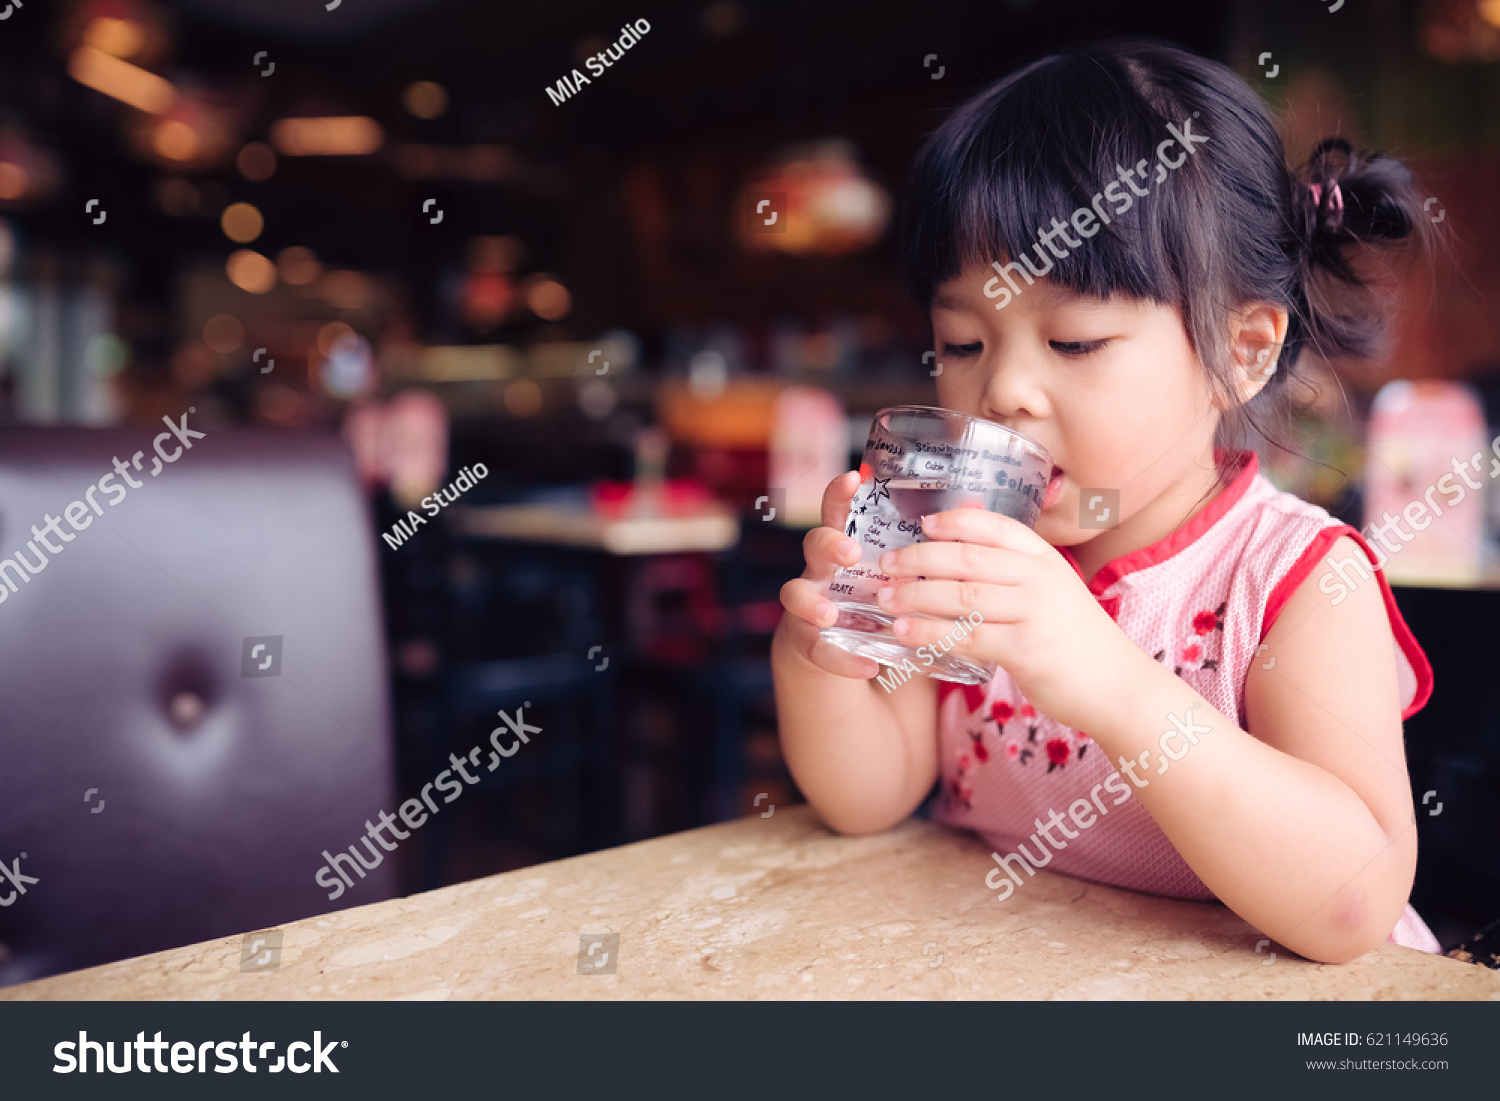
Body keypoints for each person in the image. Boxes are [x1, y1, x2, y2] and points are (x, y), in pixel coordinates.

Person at [772, 39, 1443, 963]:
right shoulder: (969, 553)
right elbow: (869, 795)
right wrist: (823, 657)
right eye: (963, 343)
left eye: (1077, 342)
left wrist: (1111, 681)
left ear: (1242, 351)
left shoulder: (1295, 580)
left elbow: (1351, 906)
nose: (1004, 390)